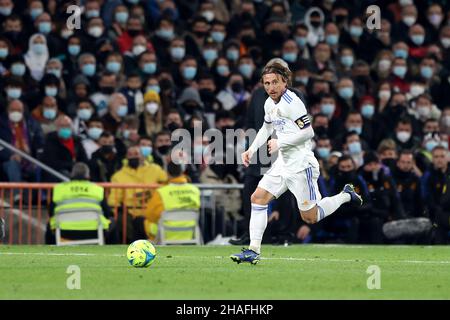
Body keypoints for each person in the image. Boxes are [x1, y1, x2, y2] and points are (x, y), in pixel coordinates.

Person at [230, 63, 363, 264]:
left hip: (302, 166)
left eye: (275, 82)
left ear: (285, 81)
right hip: (283, 163)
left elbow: (308, 133)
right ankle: (253, 250)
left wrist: (280, 142)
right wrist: (251, 150)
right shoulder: (268, 103)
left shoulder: (293, 102)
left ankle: (345, 195)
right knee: (257, 198)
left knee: (310, 217)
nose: (271, 87)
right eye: (267, 83)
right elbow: (266, 129)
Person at [45, 162, 118, 244]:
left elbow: (51, 212)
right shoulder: (97, 189)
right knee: (113, 222)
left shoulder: (59, 189)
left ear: (71, 175)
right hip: (94, 231)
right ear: (88, 176)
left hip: (65, 232)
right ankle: (109, 254)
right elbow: (107, 213)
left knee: (50, 224)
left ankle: (51, 252)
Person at [142, 161, 200, 242]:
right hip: (189, 232)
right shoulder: (194, 190)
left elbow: (149, 214)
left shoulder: (161, 192)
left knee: (146, 221)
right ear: (183, 172)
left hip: (167, 233)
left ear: (167, 173)